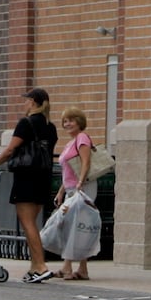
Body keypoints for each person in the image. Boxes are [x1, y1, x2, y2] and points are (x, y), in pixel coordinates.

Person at [0, 86, 57, 283]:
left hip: (26, 177)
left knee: (27, 223)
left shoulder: (26, 123)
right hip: (44, 177)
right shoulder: (51, 126)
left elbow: (10, 150)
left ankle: (40, 265)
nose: (24, 103)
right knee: (32, 222)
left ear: (33, 102)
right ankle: (34, 266)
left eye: (26, 100)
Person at [55, 106, 96, 280]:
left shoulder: (82, 138)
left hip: (82, 188)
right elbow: (69, 170)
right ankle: (82, 269)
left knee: (73, 226)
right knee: (76, 227)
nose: (67, 124)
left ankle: (67, 266)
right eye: (65, 121)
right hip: (71, 188)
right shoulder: (70, 143)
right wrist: (60, 192)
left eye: (71, 120)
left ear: (79, 122)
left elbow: (85, 163)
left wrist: (80, 183)